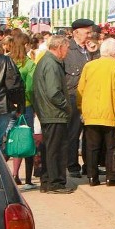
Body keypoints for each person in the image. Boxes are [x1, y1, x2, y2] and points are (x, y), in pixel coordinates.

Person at [77, 38, 115, 186]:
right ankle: (111, 177)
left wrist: (80, 107)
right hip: (111, 112)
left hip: (91, 112)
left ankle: (92, 177)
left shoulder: (89, 66)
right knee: (112, 147)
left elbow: (80, 89)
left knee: (92, 147)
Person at [33, 35, 73, 194]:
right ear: (59, 47)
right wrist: (67, 107)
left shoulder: (48, 61)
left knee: (50, 148)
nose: (67, 51)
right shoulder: (51, 63)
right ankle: (54, 182)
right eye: (67, 48)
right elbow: (53, 92)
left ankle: (48, 180)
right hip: (54, 113)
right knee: (56, 149)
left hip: (49, 112)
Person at [64, 19, 100, 179]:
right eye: (87, 32)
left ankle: (89, 165)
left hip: (92, 98)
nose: (90, 35)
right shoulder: (68, 50)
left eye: (90, 32)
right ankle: (72, 165)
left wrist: (95, 52)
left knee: (90, 134)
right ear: (76, 33)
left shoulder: (92, 50)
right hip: (73, 97)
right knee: (73, 133)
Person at [9, 33, 37, 189]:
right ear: (25, 45)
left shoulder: (7, 61)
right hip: (25, 105)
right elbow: (31, 88)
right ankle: (27, 179)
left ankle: (13, 173)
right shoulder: (29, 64)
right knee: (27, 140)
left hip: (8, 106)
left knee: (12, 139)